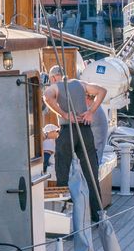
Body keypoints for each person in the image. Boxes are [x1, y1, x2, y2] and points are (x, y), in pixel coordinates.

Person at [43, 65, 106, 219]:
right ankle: (98, 215)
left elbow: (46, 97)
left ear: (53, 77)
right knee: (91, 173)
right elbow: (102, 91)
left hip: (67, 131)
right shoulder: (81, 84)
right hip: (85, 130)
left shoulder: (55, 87)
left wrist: (64, 114)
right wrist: (90, 112)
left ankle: (63, 213)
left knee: (62, 171)